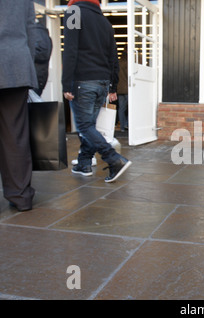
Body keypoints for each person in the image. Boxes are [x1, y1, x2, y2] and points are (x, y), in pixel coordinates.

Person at [62, 0, 131, 182]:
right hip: (102, 82)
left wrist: (66, 83)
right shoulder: (104, 21)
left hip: (83, 80)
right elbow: (113, 57)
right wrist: (112, 85)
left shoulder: (74, 12)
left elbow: (69, 49)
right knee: (90, 125)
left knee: (84, 126)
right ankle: (84, 163)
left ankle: (114, 159)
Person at [0, 0, 37, 211]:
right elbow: (31, 29)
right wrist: (25, 64)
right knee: (15, 135)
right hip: (16, 63)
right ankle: (21, 196)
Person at [32, 20, 52, 96]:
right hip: (34, 79)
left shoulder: (38, 32)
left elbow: (43, 53)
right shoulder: (38, 32)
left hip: (34, 79)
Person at [116, 48, 128, 132]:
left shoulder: (118, 63)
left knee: (121, 108)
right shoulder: (127, 63)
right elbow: (129, 76)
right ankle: (128, 124)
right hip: (127, 89)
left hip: (119, 89)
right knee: (131, 108)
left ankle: (122, 127)